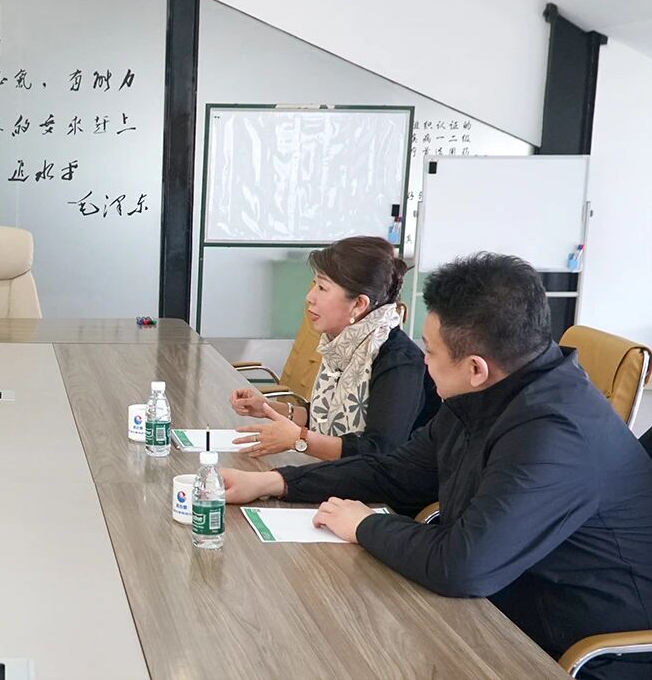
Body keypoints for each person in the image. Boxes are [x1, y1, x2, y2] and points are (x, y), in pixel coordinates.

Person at [221, 253, 652, 679]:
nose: (423, 362)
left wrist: (364, 525)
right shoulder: (489, 394)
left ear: (475, 368)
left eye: (429, 350)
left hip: (579, 652)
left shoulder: (554, 433)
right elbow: (395, 471)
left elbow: (463, 564)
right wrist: (277, 482)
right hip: (497, 609)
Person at [229, 236, 439, 460]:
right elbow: (326, 418)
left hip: (377, 480)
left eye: (322, 288)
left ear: (359, 304)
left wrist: (300, 439)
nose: (310, 297)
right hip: (339, 471)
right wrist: (267, 408)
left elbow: (379, 451)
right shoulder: (343, 344)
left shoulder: (399, 360)